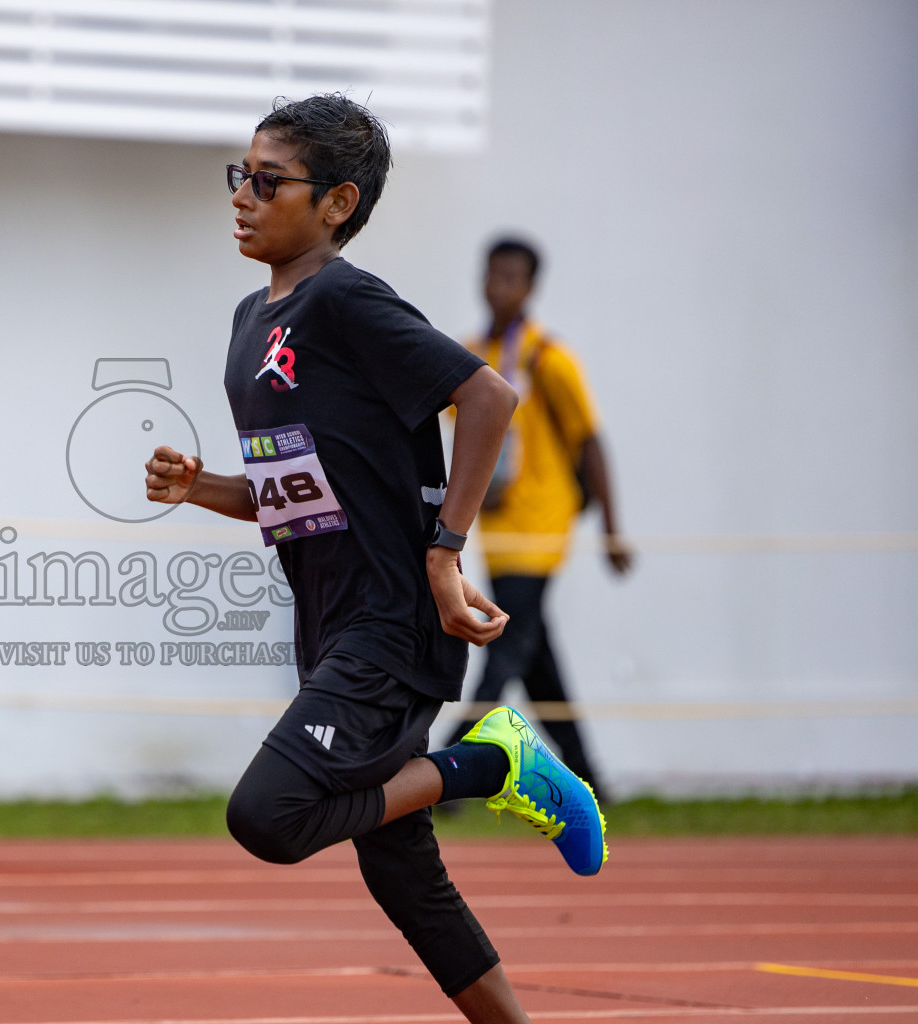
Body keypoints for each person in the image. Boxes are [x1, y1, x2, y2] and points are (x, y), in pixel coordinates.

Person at [142, 95, 607, 1024]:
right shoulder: (250, 319)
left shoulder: (345, 298)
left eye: (269, 181)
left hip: (392, 622)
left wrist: (444, 553)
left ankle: (492, 766)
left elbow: (486, 398)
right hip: (332, 623)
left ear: (337, 203)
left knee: (267, 816)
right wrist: (202, 487)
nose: (243, 195)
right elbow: (298, 494)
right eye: (241, 175)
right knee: (402, 871)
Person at [443, 237, 632, 801]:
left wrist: (611, 529)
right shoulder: (469, 356)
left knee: (503, 646)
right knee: (534, 654)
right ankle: (588, 774)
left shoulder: (550, 359)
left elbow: (591, 441)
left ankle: (449, 770)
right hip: (497, 529)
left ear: (530, 287)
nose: (499, 286)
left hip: (543, 526)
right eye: (492, 274)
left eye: (512, 277)